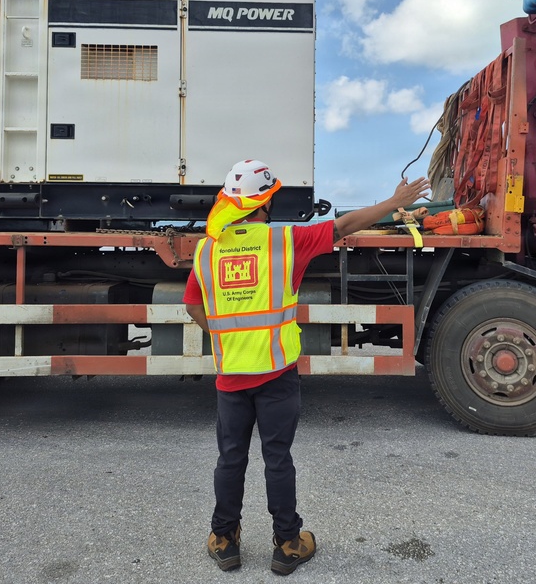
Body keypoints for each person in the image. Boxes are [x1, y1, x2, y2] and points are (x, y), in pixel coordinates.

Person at [184, 159, 429, 575]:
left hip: (231, 376)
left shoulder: (208, 247)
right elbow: (344, 226)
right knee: (277, 459)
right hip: (277, 372)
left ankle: (224, 539)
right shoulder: (284, 241)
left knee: (230, 458)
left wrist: (226, 334)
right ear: (267, 202)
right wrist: (394, 201)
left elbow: (192, 305)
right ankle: (287, 545)